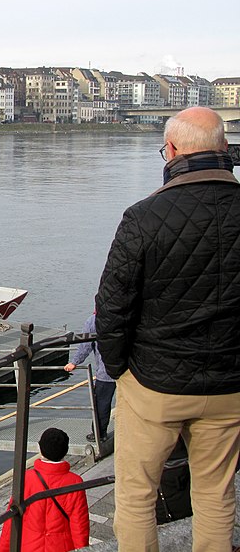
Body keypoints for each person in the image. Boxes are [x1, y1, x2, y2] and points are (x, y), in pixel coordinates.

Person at [96, 106, 240, 552]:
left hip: (155, 383)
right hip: (230, 383)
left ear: (172, 151)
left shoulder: (143, 216)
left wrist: (122, 370)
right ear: (223, 149)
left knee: (136, 495)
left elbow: (112, 307)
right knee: (216, 494)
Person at [0, 428, 90, 552]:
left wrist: (2, 549)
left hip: (29, 546)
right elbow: (79, 525)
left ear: (40, 449)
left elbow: (10, 522)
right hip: (61, 547)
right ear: (65, 451)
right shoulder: (75, 482)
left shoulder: (26, 478)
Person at [64, 307, 115, 442]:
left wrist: (74, 362)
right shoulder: (123, 316)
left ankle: (100, 434)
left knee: (102, 404)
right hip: (128, 370)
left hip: (106, 371)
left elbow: (85, 345)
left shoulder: (93, 321)